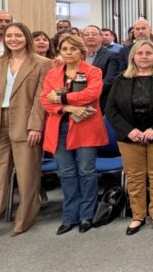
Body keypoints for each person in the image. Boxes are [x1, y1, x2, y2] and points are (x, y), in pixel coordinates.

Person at [0, 23, 51, 243]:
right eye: (9, 36)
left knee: (27, 174)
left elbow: (40, 99)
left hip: (26, 121)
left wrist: (36, 125)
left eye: (18, 35)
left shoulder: (43, 64)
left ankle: (24, 220)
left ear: (27, 38)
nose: (14, 39)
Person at [105, 39, 153, 235]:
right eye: (140, 53)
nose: (144, 57)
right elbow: (111, 109)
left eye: (148, 53)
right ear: (133, 57)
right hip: (130, 136)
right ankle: (138, 215)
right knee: (135, 176)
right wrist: (129, 130)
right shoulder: (121, 78)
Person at [40, 34, 107, 234]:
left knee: (86, 171)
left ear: (81, 51)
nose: (68, 53)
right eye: (64, 49)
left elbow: (91, 94)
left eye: (73, 49)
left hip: (85, 127)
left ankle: (87, 215)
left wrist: (60, 98)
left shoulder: (93, 71)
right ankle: (70, 216)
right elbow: (44, 100)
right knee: (66, 173)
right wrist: (69, 108)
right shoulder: (53, 74)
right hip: (59, 127)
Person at [79, 25, 120, 109]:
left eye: (93, 34)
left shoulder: (112, 56)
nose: (90, 37)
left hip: (101, 101)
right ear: (82, 38)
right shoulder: (77, 55)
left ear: (101, 37)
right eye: (86, 34)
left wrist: (88, 92)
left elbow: (109, 80)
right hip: (77, 100)